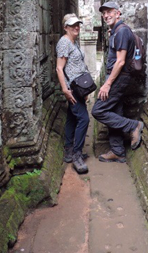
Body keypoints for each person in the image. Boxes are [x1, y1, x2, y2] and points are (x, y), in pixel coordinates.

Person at [91, 1, 144, 163]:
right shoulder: (116, 31)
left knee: (98, 111)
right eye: (104, 13)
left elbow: (120, 62)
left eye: (109, 12)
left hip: (118, 78)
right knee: (115, 112)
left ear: (118, 13)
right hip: (117, 77)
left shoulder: (121, 32)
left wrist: (107, 84)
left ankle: (133, 126)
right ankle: (118, 151)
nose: (106, 15)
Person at [56, 13, 90, 174]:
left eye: (78, 24)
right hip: (72, 88)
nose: (76, 27)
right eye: (72, 25)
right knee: (84, 119)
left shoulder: (72, 42)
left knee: (71, 117)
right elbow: (59, 68)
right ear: (65, 27)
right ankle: (77, 154)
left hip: (78, 87)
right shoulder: (64, 42)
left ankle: (69, 149)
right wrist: (65, 89)